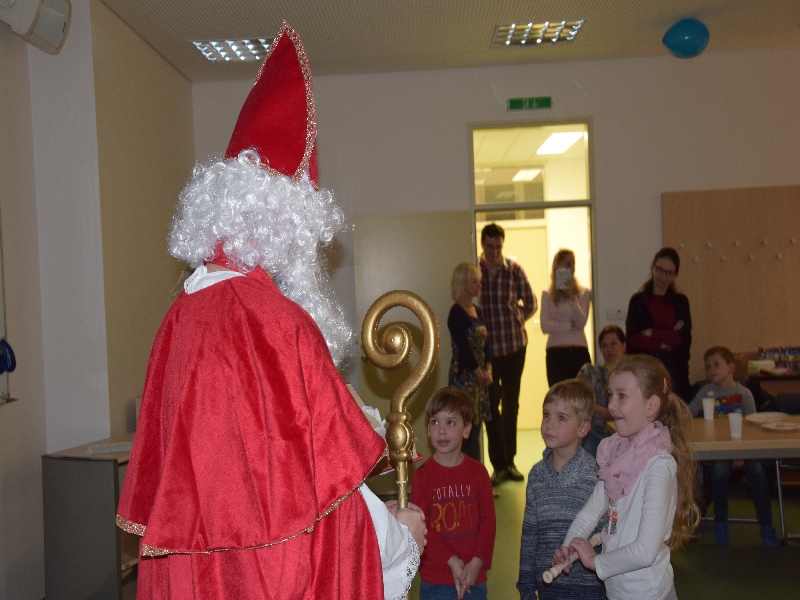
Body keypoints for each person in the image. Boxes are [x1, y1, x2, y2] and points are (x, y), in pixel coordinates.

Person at [116, 23, 426, 600]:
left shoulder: (179, 319)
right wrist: (400, 536)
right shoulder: (278, 324)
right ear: (284, 226)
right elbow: (329, 504)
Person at [553, 355, 699, 600]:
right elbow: (590, 513)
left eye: (622, 396)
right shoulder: (616, 452)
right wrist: (569, 547)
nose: (611, 405)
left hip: (648, 593)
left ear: (651, 406)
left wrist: (595, 561)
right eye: (610, 395)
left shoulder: (658, 466)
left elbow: (645, 551)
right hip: (618, 591)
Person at [518, 379, 605, 600]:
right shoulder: (536, 475)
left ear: (583, 428)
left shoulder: (596, 476)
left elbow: (605, 536)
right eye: (546, 415)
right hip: (548, 587)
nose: (549, 424)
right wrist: (526, 586)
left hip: (589, 589)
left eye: (562, 418)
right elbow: (530, 537)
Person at [687, 346, 780, 547]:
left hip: (743, 451)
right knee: (720, 470)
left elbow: (752, 427)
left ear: (731, 368)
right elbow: (688, 413)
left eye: (716, 365)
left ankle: (766, 524)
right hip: (718, 452)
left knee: (757, 470)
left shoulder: (744, 393)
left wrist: (741, 451)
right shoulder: (706, 392)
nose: (711, 370)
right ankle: (721, 521)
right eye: (708, 366)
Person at [411, 387, 497, 600]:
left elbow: (489, 521)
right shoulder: (422, 477)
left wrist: (477, 562)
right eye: (434, 422)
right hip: (436, 580)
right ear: (428, 430)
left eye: (450, 423)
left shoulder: (479, 473)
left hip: (474, 577)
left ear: (466, 430)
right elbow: (421, 528)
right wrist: (450, 561)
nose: (441, 430)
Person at [479, 223, 537, 486]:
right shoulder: (476, 272)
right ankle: (498, 466)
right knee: (491, 408)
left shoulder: (514, 270)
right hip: (487, 353)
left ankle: (510, 462)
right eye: (490, 247)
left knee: (511, 405)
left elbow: (531, 302)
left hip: (514, 347)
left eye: (498, 247)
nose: (494, 252)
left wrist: (517, 319)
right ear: (483, 245)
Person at [625, 247, 692, 401]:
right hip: (646, 373)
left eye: (669, 273)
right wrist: (666, 340)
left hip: (676, 373)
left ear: (675, 275)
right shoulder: (638, 301)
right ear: (652, 268)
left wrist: (653, 333)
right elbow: (633, 340)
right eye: (660, 270)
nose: (663, 276)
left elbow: (682, 340)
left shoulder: (681, 302)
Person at [448, 262, 492, 461]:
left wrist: (488, 370)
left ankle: (477, 473)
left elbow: (487, 345)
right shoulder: (456, 313)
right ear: (463, 283)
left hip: (480, 380)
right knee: (465, 428)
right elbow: (464, 349)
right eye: (475, 281)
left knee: (477, 428)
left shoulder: (478, 311)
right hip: (464, 379)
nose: (479, 285)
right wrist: (479, 373)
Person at [541, 249, 592, 387]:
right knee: (558, 393)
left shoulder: (584, 292)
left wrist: (572, 297)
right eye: (568, 264)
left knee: (581, 393)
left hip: (578, 351)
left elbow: (581, 322)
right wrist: (570, 325)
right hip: (556, 353)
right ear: (557, 265)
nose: (572, 268)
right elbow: (545, 326)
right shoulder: (547, 293)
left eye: (573, 264)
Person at [577, 325, 627, 457]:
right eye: (604, 346)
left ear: (624, 346)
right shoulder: (591, 373)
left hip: (626, 438)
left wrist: (602, 411)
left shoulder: (634, 376)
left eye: (613, 344)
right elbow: (578, 402)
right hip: (596, 435)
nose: (609, 349)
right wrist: (605, 413)